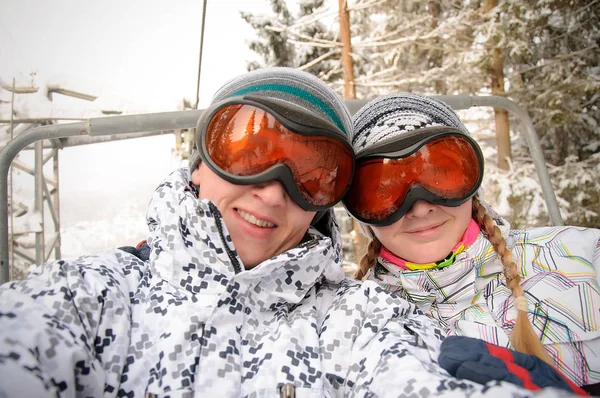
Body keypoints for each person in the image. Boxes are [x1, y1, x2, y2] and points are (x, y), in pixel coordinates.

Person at [0, 68, 578, 398]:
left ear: (324, 207)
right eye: (248, 152)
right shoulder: (92, 297)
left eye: (311, 174)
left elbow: (407, 375)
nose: (275, 191)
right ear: (199, 161)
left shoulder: (354, 316)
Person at [343, 92, 600, 391]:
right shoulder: (357, 325)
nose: (420, 207)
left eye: (441, 176)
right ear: (365, 216)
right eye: (384, 190)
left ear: (470, 183)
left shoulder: (583, 258)